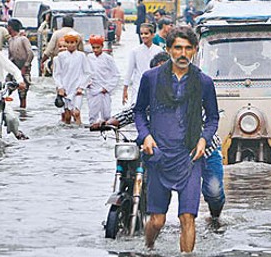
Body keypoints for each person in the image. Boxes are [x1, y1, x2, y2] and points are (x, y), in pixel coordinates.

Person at [97, 49, 226, 221]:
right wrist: (109, 122)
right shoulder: (153, 90)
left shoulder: (194, 90)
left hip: (203, 150)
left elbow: (210, 118)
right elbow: (135, 111)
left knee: (214, 191)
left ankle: (215, 218)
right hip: (165, 150)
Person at [135, 26, 219, 252]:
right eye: (178, 48)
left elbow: (212, 118)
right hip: (159, 155)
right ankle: (149, 251)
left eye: (188, 49)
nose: (183, 54)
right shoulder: (150, 79)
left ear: (194, 51)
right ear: (169, 49)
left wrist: (204, 140)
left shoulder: (203, 82)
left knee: (187, 218)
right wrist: (146, 136)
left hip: (190, 156)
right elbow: (139, 112)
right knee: (157, 220)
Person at [53, 31, 91, 125]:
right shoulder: (60, 56)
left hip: (77, 88)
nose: (70, 45)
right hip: (65, 88)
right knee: (67, 115)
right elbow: (57, 74)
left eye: (72, 42)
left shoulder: (81, 56)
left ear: (76, 43)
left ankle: (79, 133)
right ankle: (68, 136)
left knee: (76, 113)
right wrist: (60, 87)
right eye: (68, 42)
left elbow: (87, 73)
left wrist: (81, 87)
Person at [122, 23, 163, 105]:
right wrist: (125, 90)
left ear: (152, 35)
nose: (143, 36)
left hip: (154, 86)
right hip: (138, 86)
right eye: (141, 34)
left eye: (146, 33)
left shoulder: (159, 51)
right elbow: (129, 71)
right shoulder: (135, 51)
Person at [87, 35, 120, 125]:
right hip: (93, 90)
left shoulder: (108, 59)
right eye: (93, 47)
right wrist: (87, 82)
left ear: (102, 46)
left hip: (105, 90)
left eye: (98, 47)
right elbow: (85, 73)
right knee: (92, 115)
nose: (95, 50)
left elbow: (116, 75)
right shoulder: (89, 58)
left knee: (106, 115)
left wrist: (107, 87)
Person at [6, 19, 34, 109]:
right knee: (6, 88)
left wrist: (25, 66)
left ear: (10, 27)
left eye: (7, 26)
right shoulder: (10, 40)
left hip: (24, 69)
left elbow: (30, 53)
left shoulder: (23, 39)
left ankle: (23, 111)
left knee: (22, 93)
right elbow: (10, 56)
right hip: (14, 68)